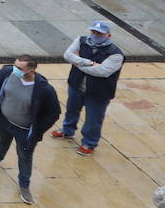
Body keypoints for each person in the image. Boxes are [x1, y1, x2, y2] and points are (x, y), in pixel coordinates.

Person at [0, 55, 61, 205]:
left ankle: (24, 185)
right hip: (4, 120)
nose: (15, 69)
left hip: (24, 130)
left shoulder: (44, 90)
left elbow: (54, 113)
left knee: (24, 156)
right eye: (15, 65)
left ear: (31, 69)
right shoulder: (7, 73)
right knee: (2, 141)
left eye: (20, 68)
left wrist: (38, 129)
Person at [52, 20, 124, 155]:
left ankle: (89, 143)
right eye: (93, 32)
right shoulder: (81, 40)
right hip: (76, 85)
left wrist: (77, 63)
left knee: (93, 119)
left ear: (108, 35)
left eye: (100, 33)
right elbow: (68, 55)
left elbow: (103, 72)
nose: (95, 35)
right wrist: (89, 63)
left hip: (99, 93)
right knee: (71, 110)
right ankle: (67, 130)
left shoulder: (115, 54)